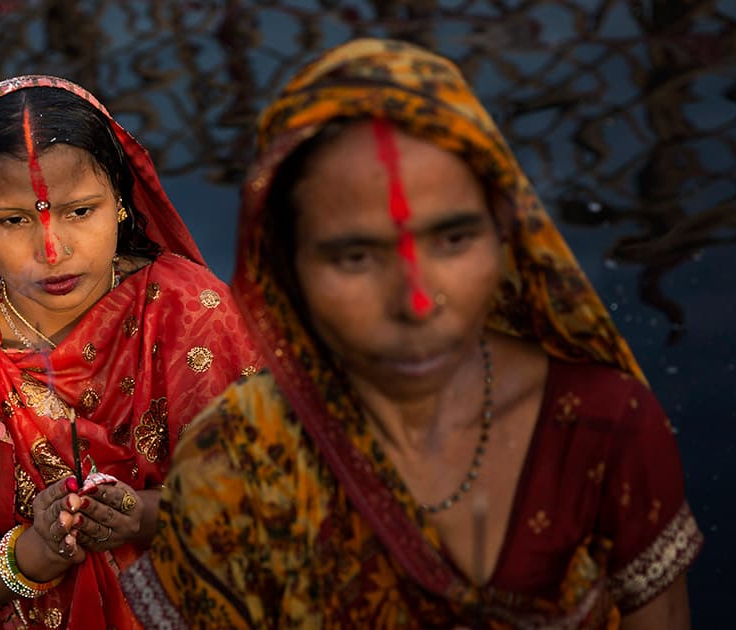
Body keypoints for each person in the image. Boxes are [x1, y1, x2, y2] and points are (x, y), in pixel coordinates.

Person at [120, 39, 702, 628]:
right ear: (286, 268)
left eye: (453, 240)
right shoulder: (234, 462)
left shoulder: (602, 427)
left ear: (507, 236)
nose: (418, 301)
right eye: (354, 256)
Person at [0, 75, 261, 629]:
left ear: (121, 205)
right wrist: (38, 550)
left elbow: (265, 494)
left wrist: (143, 515)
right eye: (13, 220)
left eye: (80, 211)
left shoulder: (190, 314)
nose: (53, 251)